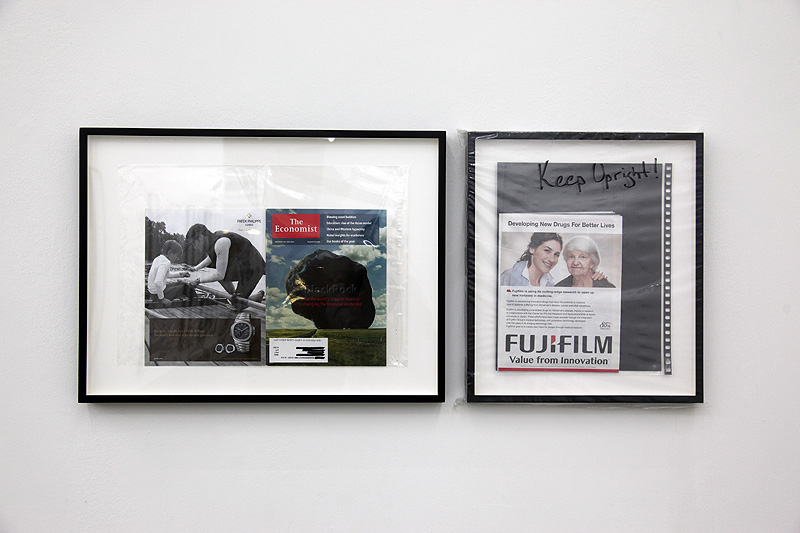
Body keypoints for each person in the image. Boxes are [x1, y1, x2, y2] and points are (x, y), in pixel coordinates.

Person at [184, 223, 266, 310]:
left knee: (237, 306)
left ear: (200, 238)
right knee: (231, 292)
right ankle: (236, 296)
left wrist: (198, 280)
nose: (195, 247)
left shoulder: (221, 242)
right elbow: (211, 257)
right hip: (244, 266)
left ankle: (254, 296)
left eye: (193, 243)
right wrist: (195, 268)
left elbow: (220, 275)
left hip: (254, 268)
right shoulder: (214, 239)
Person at [147, 240, 192, 306]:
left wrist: (181, 274)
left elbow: (166, 274)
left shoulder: (158, 259)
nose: (177, 259)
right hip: (158, 296)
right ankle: (196, 303)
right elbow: (158, 282)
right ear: (170, 252)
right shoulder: (166, 262)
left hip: (153, 293)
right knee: (186, 287)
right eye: (177, 256)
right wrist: (162, 299)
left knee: (181, 283)